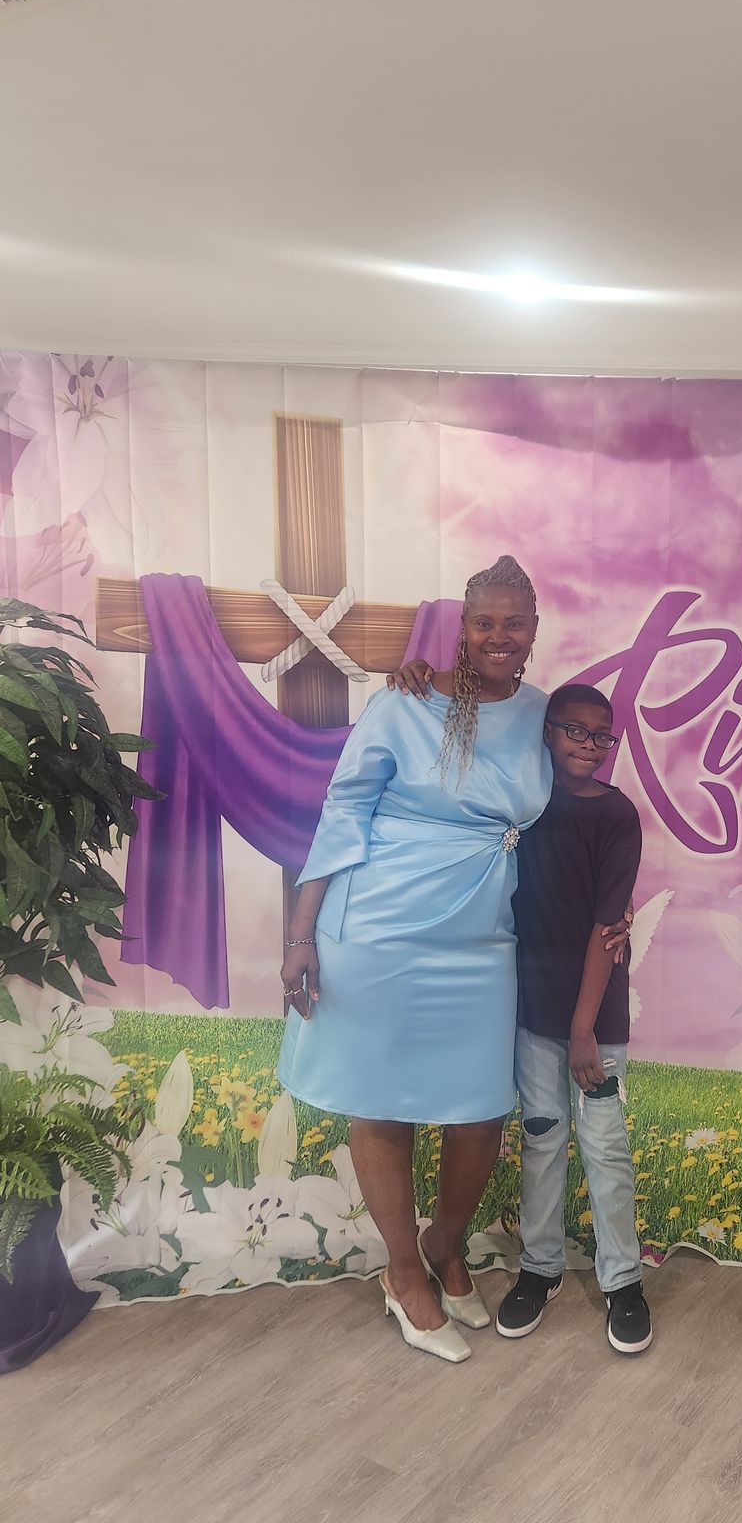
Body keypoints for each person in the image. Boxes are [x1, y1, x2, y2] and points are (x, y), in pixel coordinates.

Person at [277, 555, 552, 1365]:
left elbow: (575, 810)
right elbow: (344, 810)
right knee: (381, 1103)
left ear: (534, 631)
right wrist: (301, 933)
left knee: (481, 1110)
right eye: (485, 622)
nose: (499, 636)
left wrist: (610, 907)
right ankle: (403, 1273)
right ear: (463, 627)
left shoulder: (544, 714)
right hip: (380, 929)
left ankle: (444, 1241)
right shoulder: (405, 701)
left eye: (514, 623)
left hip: (482, 937)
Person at [502, 684, 651, 1354]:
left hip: (596, 1017)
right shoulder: (523, 805)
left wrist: (584, 1028)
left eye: (602, 735)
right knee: (541, 1137)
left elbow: (604, 926)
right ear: (547, 731)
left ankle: (623, 1280)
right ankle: (540, 1267)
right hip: (533, 1010)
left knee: (605, 1145)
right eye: (575, 730)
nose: (589, 744)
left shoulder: (616, 816)